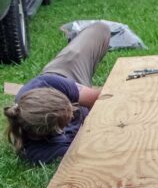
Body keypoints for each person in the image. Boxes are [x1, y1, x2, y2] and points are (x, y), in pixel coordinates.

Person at [4, 22, 110, 164]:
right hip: (80, 128)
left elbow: (100, 99)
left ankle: (73, 43)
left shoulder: (48, 82)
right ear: (53, 131)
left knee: (101, 29)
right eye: (69, 115)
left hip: (66, 74)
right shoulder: (45, 151)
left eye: (70, 106)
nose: (73, 109)